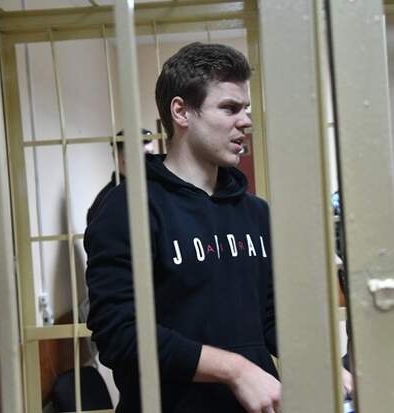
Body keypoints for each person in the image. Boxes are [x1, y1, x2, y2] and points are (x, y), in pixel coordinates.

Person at [84, 43, 280, 413]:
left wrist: (320, 362)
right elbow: (119, 334)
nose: (245, 121)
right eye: (230, 108)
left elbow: (269, 318)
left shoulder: (255, 213)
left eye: (246, 109)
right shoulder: (127, 208)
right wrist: (233, 369)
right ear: (181, 112)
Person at [86, 128, 155, 225]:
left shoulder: (149, 188)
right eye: (146, 155)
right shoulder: (107, 201)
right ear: (122, 159)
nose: (153, 160)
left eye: (152, 153)